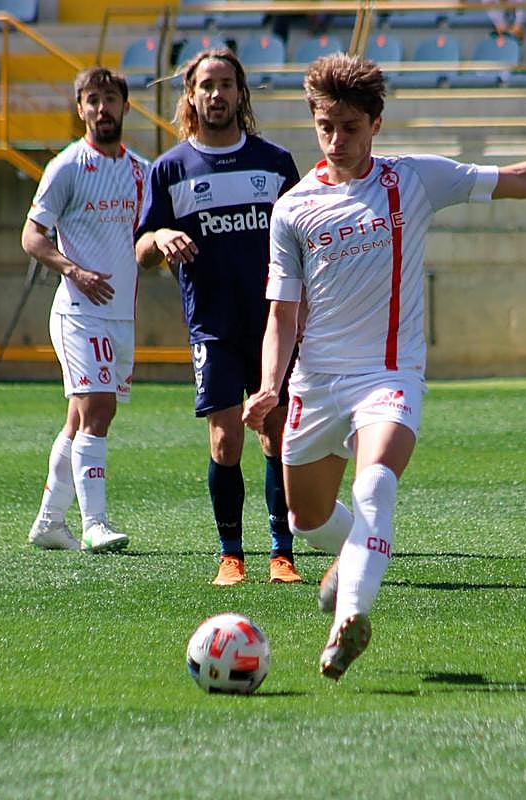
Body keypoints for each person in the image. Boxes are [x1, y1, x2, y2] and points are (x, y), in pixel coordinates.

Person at [243, 54, 526, 681]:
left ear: (377, 124)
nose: (337, 140)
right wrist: (270, 388)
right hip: (314, 383)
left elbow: (518, 177)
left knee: (376, 481)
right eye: (326, 126)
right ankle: (358, 555)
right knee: (305, 519)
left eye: (351, 127)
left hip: (388, 376)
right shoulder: (293, 209)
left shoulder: (413, 180)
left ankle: (350, 618)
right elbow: (282, 314)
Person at [134, 48, 303, 587]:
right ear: (191, 95)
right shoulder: (170, 169)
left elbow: (305, 235)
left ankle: (282, 553)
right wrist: (159, 237)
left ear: (240, 93)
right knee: (225, 440)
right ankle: (231, 554)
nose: (216, 94)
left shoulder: (274, 163)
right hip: (212, 324)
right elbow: (140, 248)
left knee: (276, 433)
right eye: (206, 85)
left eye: (226, 84)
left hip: (272, 321)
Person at [22, 66, 149, 553]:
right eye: (92, 99)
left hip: (121, 315)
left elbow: (145, 234)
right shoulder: (68, 166)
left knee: (79, 419)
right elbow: (31, 235)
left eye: (110, 98)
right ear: (80, 109)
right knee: (100, 407)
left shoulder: (141, 170)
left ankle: (49, 523)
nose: (102, 108)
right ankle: (96, 523)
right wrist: (73, 270)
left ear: (125, 107)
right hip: (78, 311)